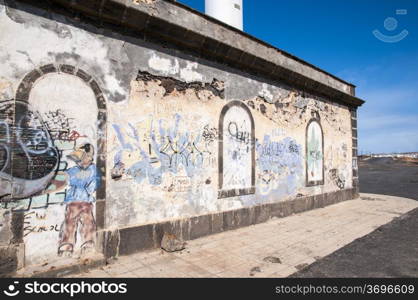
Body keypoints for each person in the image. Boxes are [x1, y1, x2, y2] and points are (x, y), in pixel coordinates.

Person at [58, 143, 98, 256]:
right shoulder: (74, 169)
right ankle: (66, 245)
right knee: (69, 223)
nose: (79, 161)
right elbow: (66, 178)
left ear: (89, 157)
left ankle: (88, 243)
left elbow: (88, 183)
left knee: (88, 223)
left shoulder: (93, 169)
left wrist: (76, 179)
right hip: (72, 201)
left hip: (86, 201)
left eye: (82, 157)